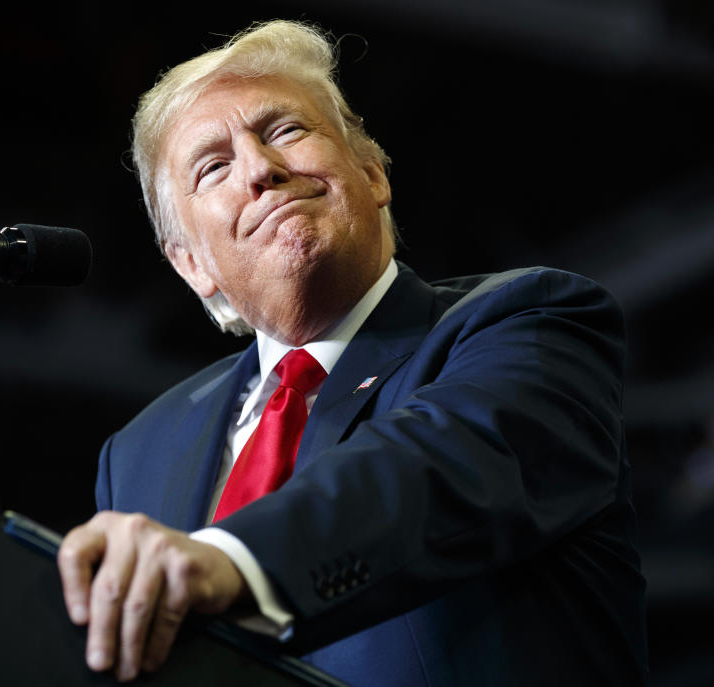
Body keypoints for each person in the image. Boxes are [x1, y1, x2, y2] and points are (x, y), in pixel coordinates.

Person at [56, 19, 648, 686]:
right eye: (214, 166)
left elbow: (439, 467)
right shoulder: (139, 451)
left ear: (371, 173)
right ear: (192, 264)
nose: (260, 168)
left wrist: (231, 561)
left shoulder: (529, 322)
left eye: (285, 130)